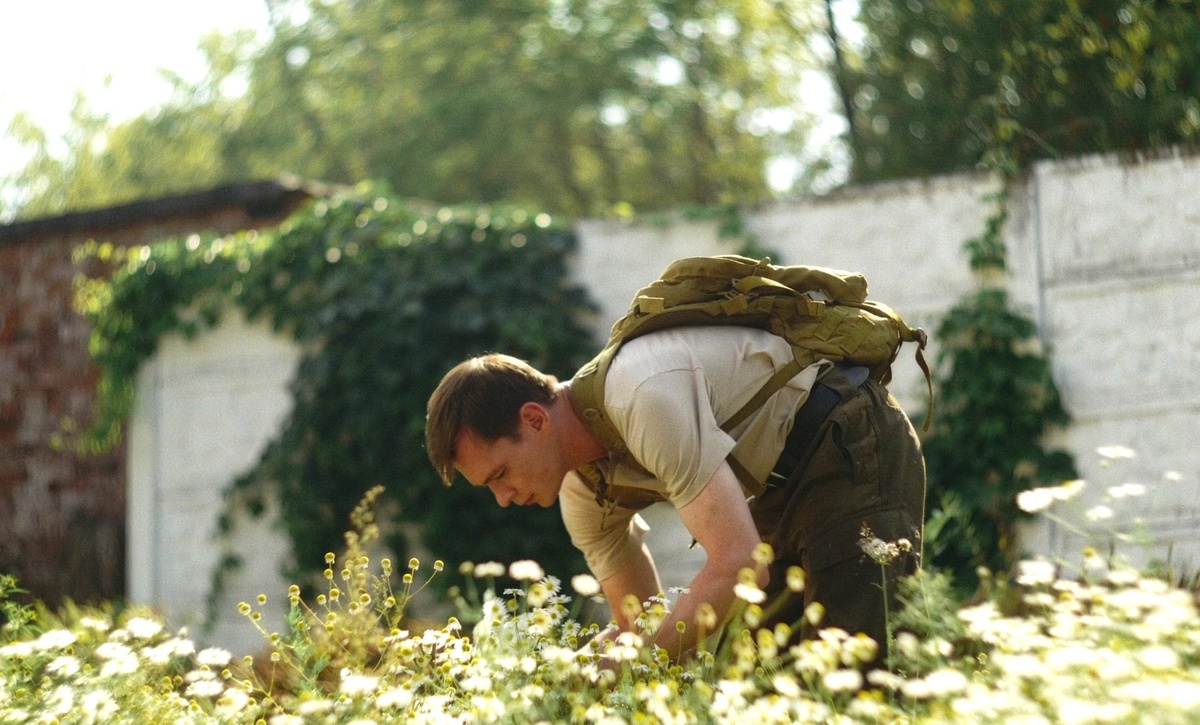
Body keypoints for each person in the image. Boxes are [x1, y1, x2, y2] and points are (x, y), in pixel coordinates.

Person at [425, 322, 925, 664]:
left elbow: (741, 564)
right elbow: (640, 627)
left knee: (858, 668)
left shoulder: (641, 396)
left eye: (500, 475)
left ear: (534, 420)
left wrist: (632, 663)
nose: (503, 499)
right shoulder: (583, 496)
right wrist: (580, 672)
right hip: (777, 486)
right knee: (771, 684)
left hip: (848, 440)